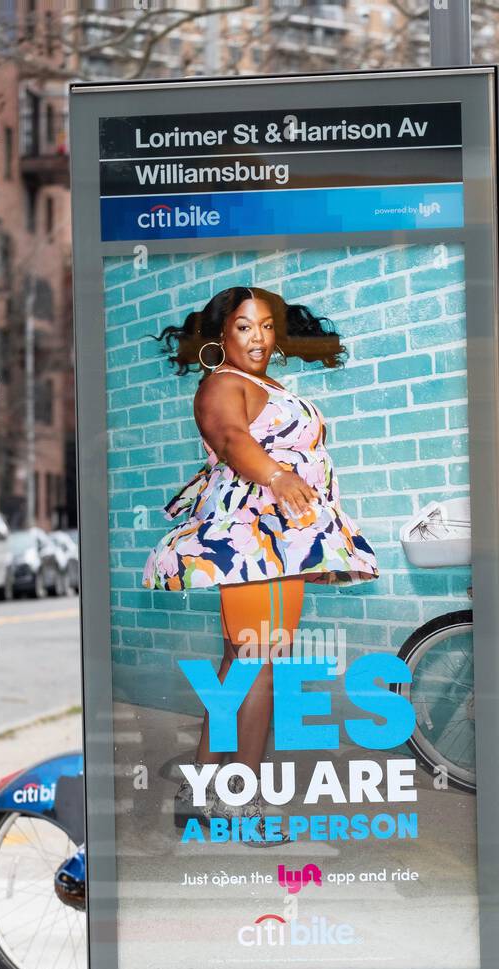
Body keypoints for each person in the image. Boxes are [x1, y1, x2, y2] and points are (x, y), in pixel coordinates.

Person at [143, 285, 379, 835]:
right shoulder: (222, 384)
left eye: (268, 326)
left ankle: (200, 786)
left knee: (240, 663)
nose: (259, 338)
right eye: (246, 326)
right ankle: (239, 796)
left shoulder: (265, 384)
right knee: (261, 663)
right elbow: (229, 439)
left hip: (281, 539)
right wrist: (277, 475)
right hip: (255, 538)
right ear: (222, 332)